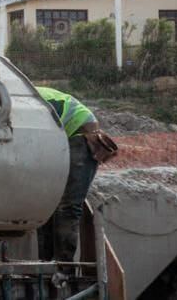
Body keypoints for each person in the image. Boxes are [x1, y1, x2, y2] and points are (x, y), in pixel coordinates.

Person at [37, 86, 117, 262]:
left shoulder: (21, 101)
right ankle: (46, 264)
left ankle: (64, 267)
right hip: (58, 136)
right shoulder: (16, 96)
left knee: (68, 205)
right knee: (46, 205)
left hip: (80, 133)